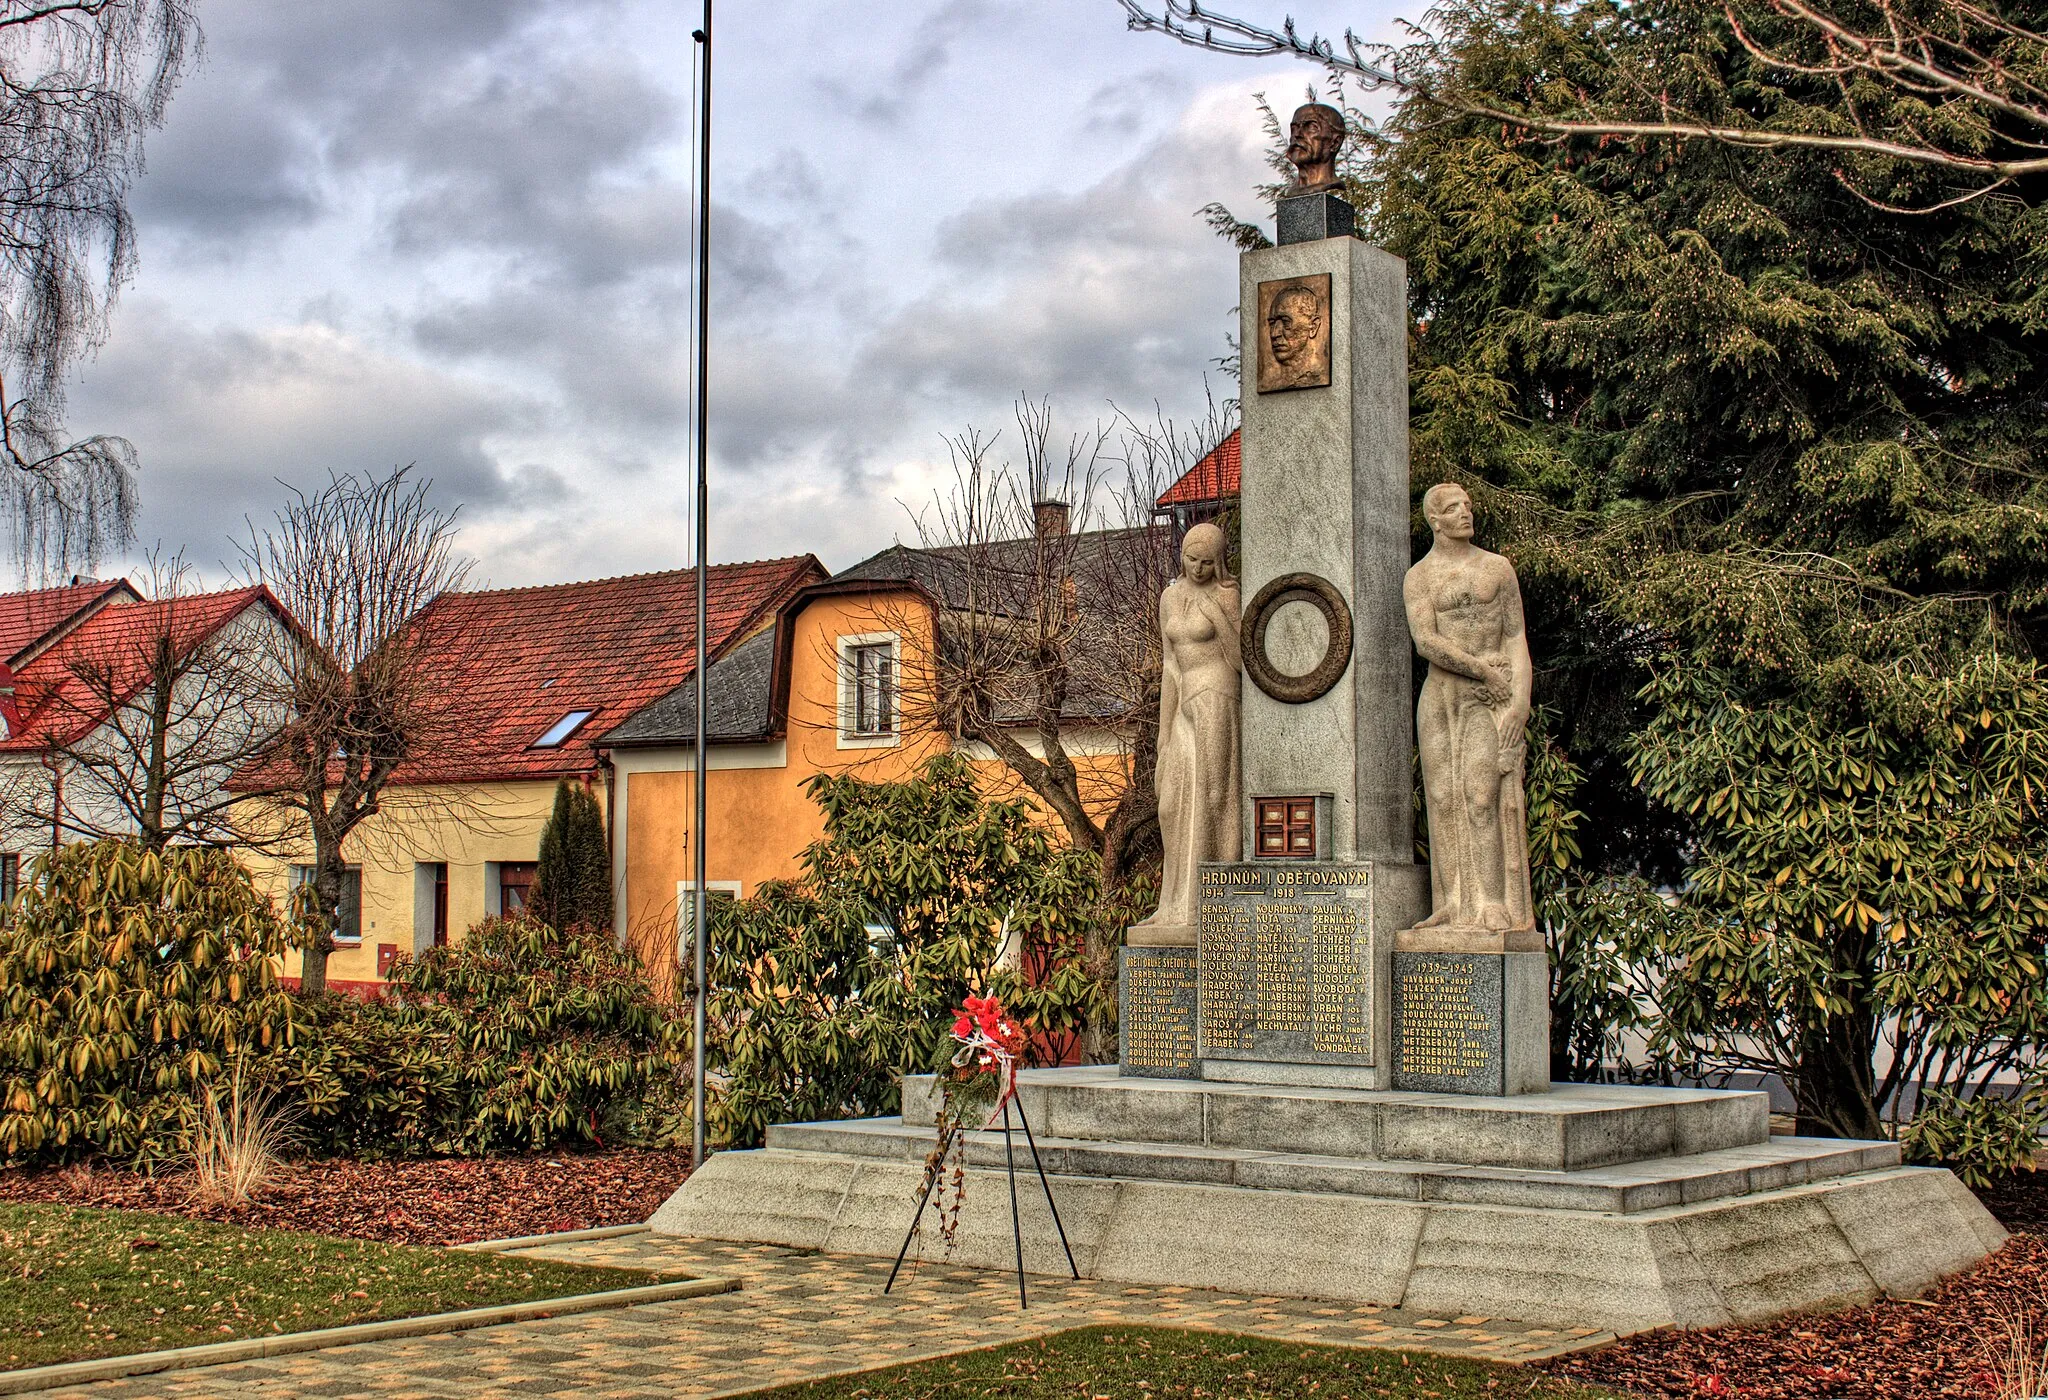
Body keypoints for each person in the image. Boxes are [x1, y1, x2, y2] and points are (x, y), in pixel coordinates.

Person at [1403, 483, 1534, 933]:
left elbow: (1516, 638)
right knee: (1441, 799)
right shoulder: (1420, 577)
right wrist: (1482, 668)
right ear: (1434, 520)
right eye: (1453, 509)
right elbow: (1426, 642)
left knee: (1482, 796)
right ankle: (1452, 901)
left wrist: (1520, 702)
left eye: (1468, 506)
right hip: (1442, 696)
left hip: (1487, 698)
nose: (1465, 514)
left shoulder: (1497, 568)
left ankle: (1493, 901)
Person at [1134, 523, 1241, 939]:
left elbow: (1240, 660)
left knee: (1213, 795)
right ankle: (1173, 904)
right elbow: (1169, 665)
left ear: (1220, 562)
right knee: (1173, 802)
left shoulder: (1227, 595)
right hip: (1182, 701)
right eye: (1191, 560)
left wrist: (1217, 612)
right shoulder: (1170, 597)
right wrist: (1162, 732)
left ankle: (1210, 904)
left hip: (1218, 693)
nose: (1198, 568)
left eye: (1207, 562)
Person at [1264, 284, 1328, 389]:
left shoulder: (1320, 377)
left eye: (1286, 322)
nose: (1274, 333)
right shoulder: (1268, 383)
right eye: (1272, 323)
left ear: (1313, 326)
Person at [1282, 102, 1346, 195]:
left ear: (1335, 142)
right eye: (1294, 129)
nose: (1297, 135)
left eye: (1311, 127)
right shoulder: (1291, 192)